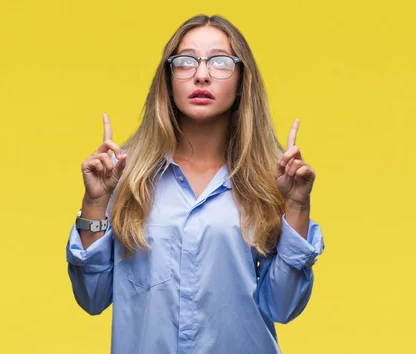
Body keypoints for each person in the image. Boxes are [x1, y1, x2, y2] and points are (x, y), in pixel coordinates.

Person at [65, 14, 324, 354]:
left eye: (219, 62)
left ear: (242, 78)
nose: (201, 74)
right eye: (186, 62)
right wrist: (96, 202)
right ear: (168, 78)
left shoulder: (272, 181)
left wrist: (297, 206)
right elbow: (92, 298)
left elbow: (284, 307)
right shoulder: (125, 176)